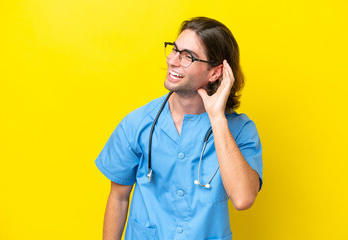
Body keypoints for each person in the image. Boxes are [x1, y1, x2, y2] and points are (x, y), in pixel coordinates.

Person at [95, 16, 263, 240]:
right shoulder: (138, 124)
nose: (172, 60)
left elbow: (243, 199)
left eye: (188, 57)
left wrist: (217, 118)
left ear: (215, 72)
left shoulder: (241, 131)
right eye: (174, 50)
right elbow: (118, 197)